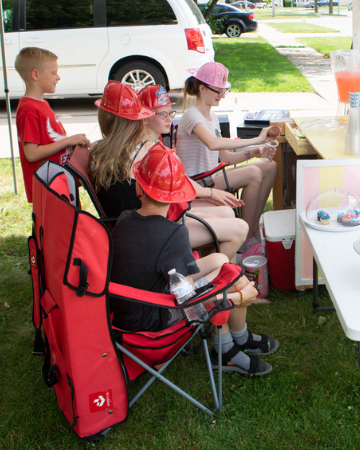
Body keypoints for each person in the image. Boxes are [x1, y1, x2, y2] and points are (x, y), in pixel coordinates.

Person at [110, 142, 278, 377]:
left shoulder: (125, 219)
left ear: (138, 186)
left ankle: (237, 338)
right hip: (155, 319)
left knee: (221, 260)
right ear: (177, 196)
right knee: (232, 277)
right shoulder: (173, 234)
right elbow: (191, 306)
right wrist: (237, 298)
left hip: (131, 309)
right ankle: (227, 349)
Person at [90, 81, 249, 259]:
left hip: (135, 225)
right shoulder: (144, 151)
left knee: (225, 216)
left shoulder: (96, 151)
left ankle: (212, 272)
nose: (168, 118)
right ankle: (201, 278)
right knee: (239, 228)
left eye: (169, 113)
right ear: (139, 118)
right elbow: (175, 189)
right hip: (152, 231)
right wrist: (207, 196)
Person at [174, 63, 279, 255]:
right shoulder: (191, 115)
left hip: (210, 176)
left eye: (224, 90)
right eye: (218, 90)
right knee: (254, 172)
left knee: (269, 166)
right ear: (202, 88)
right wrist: (257, 139)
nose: (221, 94)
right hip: (195, 182)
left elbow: (225, 157)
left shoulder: (211, 117)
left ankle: (253, 228)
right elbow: (213, 143)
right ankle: (246, 238)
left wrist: (252, 152)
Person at [13, 47, 90, 203]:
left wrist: (75, 144)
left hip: (61, 184)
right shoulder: (28, 109)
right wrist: (68, 141)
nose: (58, 77)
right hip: (50, 190)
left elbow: (52, 141)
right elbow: (32, 153)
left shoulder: (41, 104)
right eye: (53, 73)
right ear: (35, 75)